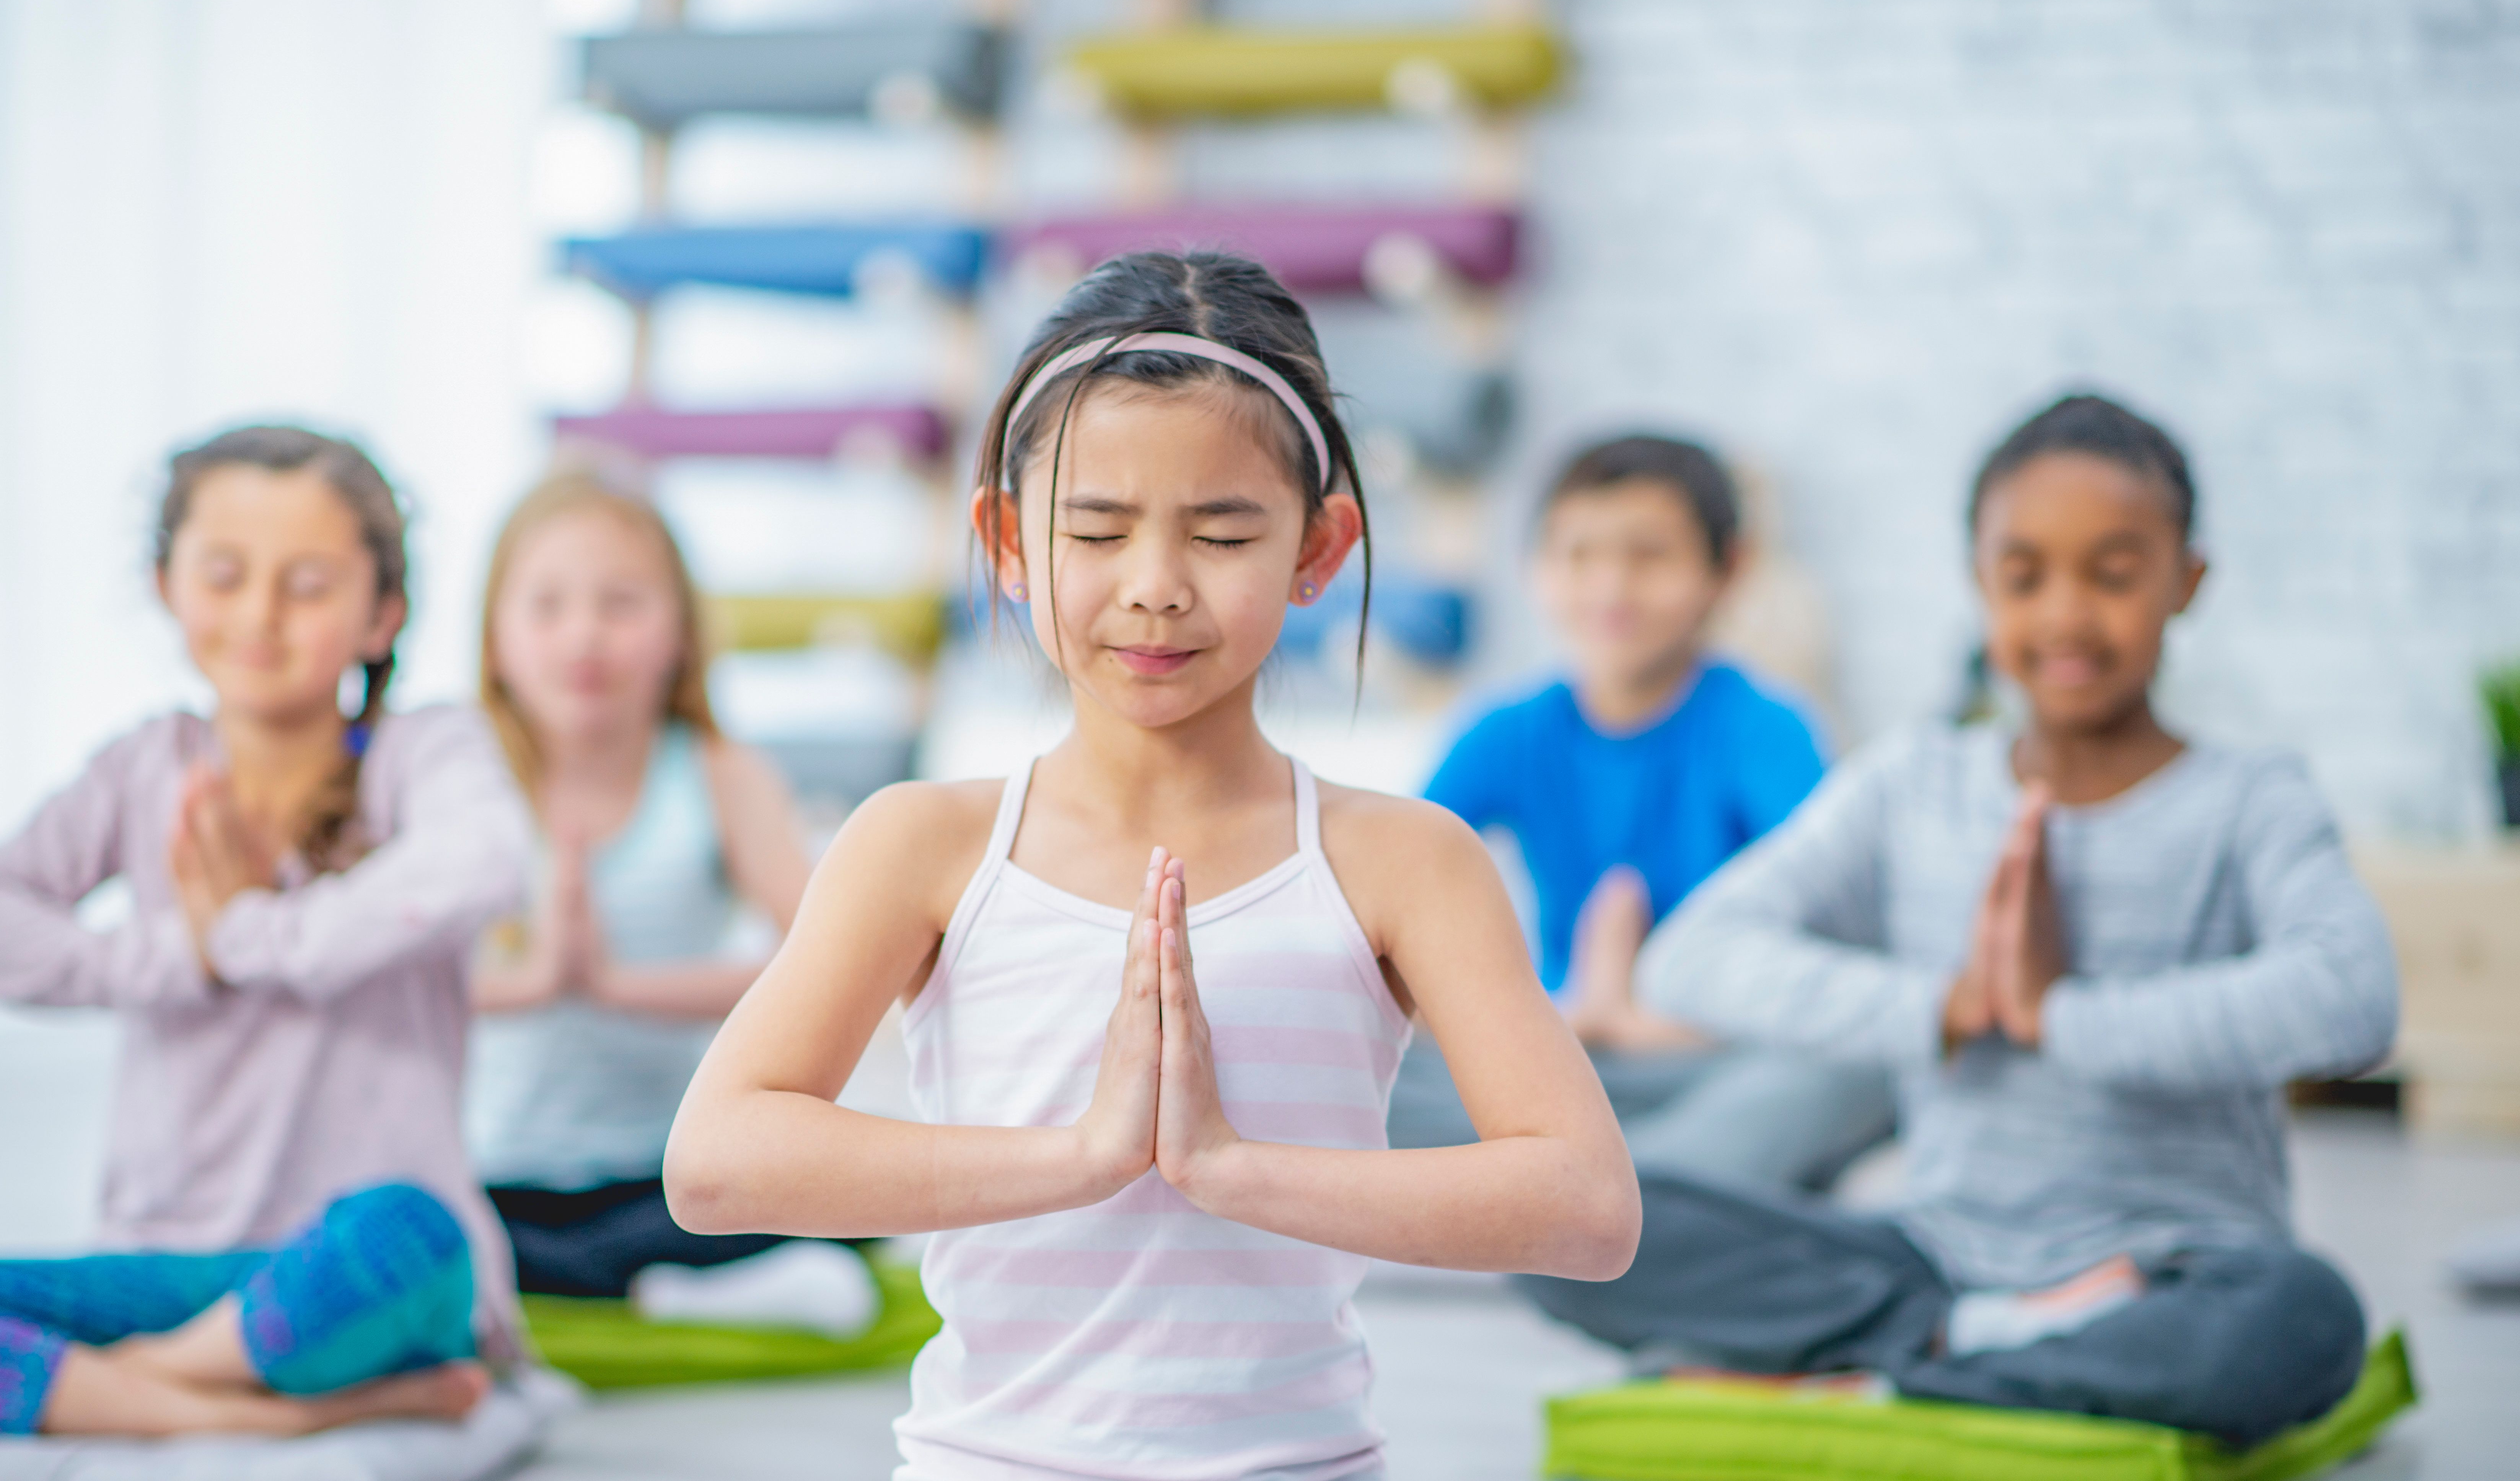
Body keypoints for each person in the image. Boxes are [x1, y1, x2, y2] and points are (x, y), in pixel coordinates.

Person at [664, 251, 1640, 1480]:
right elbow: (714, 1164)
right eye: (1096, 529)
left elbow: (1589, 1208)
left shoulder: (1402, 861)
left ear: (1317, 550)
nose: (1156, 587)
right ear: (1008, 542)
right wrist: (1081, 1157)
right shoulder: (922, 843)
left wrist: (1231, 1169)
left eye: (1223, 532)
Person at [1519, 394, 2397, 1446]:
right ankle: (1980, 1342)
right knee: (1554, 1212)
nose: (2065, 614)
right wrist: (1946, 1004)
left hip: (2177, 1269)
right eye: (2023, 576)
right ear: (1979, 582)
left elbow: (2353, 998)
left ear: (2184, 581)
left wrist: (2061, 1016)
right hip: (1935, 1259)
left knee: (2304, 1317)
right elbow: (1693, 959)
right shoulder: (1912, 784)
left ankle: (1899, 1378)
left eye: (2112, 573)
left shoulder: (2251, 798)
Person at [0, 425, 531, 1434]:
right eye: (226, 574)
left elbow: (485, 861)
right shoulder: (142, 768)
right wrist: (179, 955)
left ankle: (130, 1387)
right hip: (173, 1268)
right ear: (168, 586)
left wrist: (248, 932)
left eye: (309, 583)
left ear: (384, 614)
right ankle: (251, 1410)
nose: (259, 613)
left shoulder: (423, 753)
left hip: (357, 1272)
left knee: (409, 1231)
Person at [1392, 435, 1893, 1192]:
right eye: (1579, 555)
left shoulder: (1766, 727)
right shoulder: (1504, 729)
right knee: (1355, 1066)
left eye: (1649, 556)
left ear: (1728, 570)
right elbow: (1388, 896)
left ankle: (1590, 1187)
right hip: (1555, 1057)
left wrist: (1648, 1019)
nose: (1611, 587)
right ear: (1535, 570)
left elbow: (1835, 938)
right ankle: (1635, 1187)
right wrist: (1560, 1014)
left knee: (1859, 1069)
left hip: (1709, 1055)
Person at [462, 471, 855, 1312]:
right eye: (548, 605)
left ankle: (619, 1278)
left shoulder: (720, 776)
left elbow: (826, 965)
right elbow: (388, 987)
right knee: (412, 1225)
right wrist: (532, 983)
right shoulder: (457, 784)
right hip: (492, 1170)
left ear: (681, 632)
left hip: (670, 1169)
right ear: (494, 639)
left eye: (621, 602)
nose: (584, 636)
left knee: (835, 1190)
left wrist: (619, 987)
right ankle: (635, 1285)